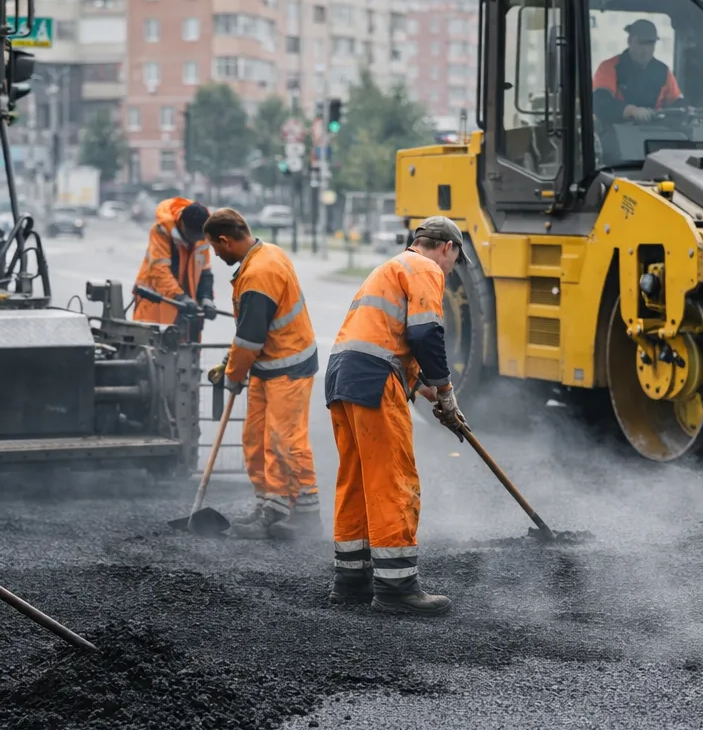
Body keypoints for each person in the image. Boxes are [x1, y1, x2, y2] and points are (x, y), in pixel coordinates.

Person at [323, 216, 469, 617]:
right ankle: (397, 589)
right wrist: (446, 393)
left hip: (342, 375)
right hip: (373, 379)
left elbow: (389, 340)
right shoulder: (424, 268)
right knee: (392, 479)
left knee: (356, 479)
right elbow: (426, 334)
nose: (453, 268)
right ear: (446, 247)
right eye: (457, 259)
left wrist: (427, 392)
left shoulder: (389, 268)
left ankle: (351, 582)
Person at [201, 208, 320, 540]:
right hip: (267, 365)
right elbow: (250, 328)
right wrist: (230, 361)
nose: (216, 253)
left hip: (289, 367)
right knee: (256, 441)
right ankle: (271, 506)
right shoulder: (263, 257)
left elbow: (251, 337)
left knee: (286, 442)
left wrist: (233, 374)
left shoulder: (259, 273)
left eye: (214, 247)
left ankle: (307, 514)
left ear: (225, 240)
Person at [133, 198, 216, 338]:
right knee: (156, 354)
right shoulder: (161, 231)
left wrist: (206, 298)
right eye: (193, 236)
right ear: (182, 224)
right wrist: (181, 297)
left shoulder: (202, 235)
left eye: (200, 236)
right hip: (156, 306)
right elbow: (160, 271)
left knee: (187, 354)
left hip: (186, 310)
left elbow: (205, 271)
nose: (196, 240)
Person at [593, 18, 683, 122]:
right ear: (629, 41)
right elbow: (600, 102)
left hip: (657, 132)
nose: (646, 50)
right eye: (641, 43)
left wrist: (686, 110)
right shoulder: (609, 67)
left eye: (651, 43)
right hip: (615, 132)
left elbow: (676, 102)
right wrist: (630, 111)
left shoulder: (663, 71)